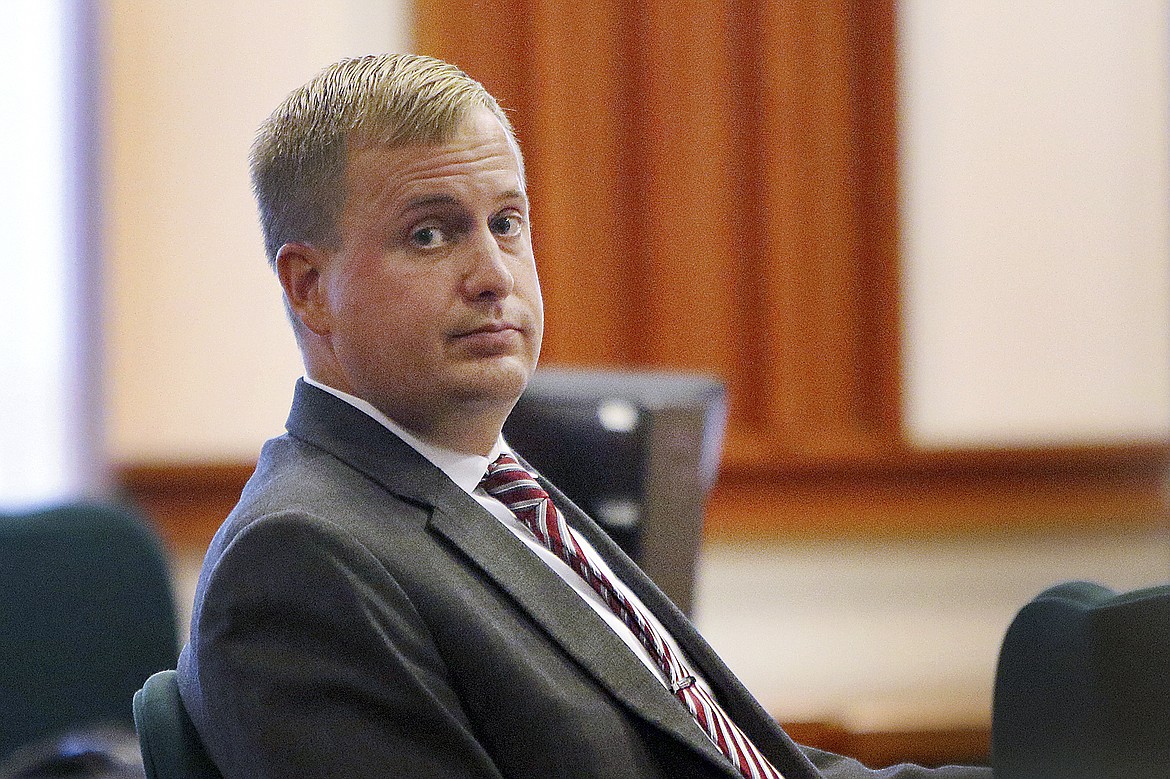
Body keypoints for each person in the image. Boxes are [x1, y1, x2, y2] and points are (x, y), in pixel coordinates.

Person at [176, 53, 989, 779]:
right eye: (430, 234)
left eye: (506, 222)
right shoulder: (299, 558)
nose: (494, 273)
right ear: (310, 288)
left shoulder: (506, 492)